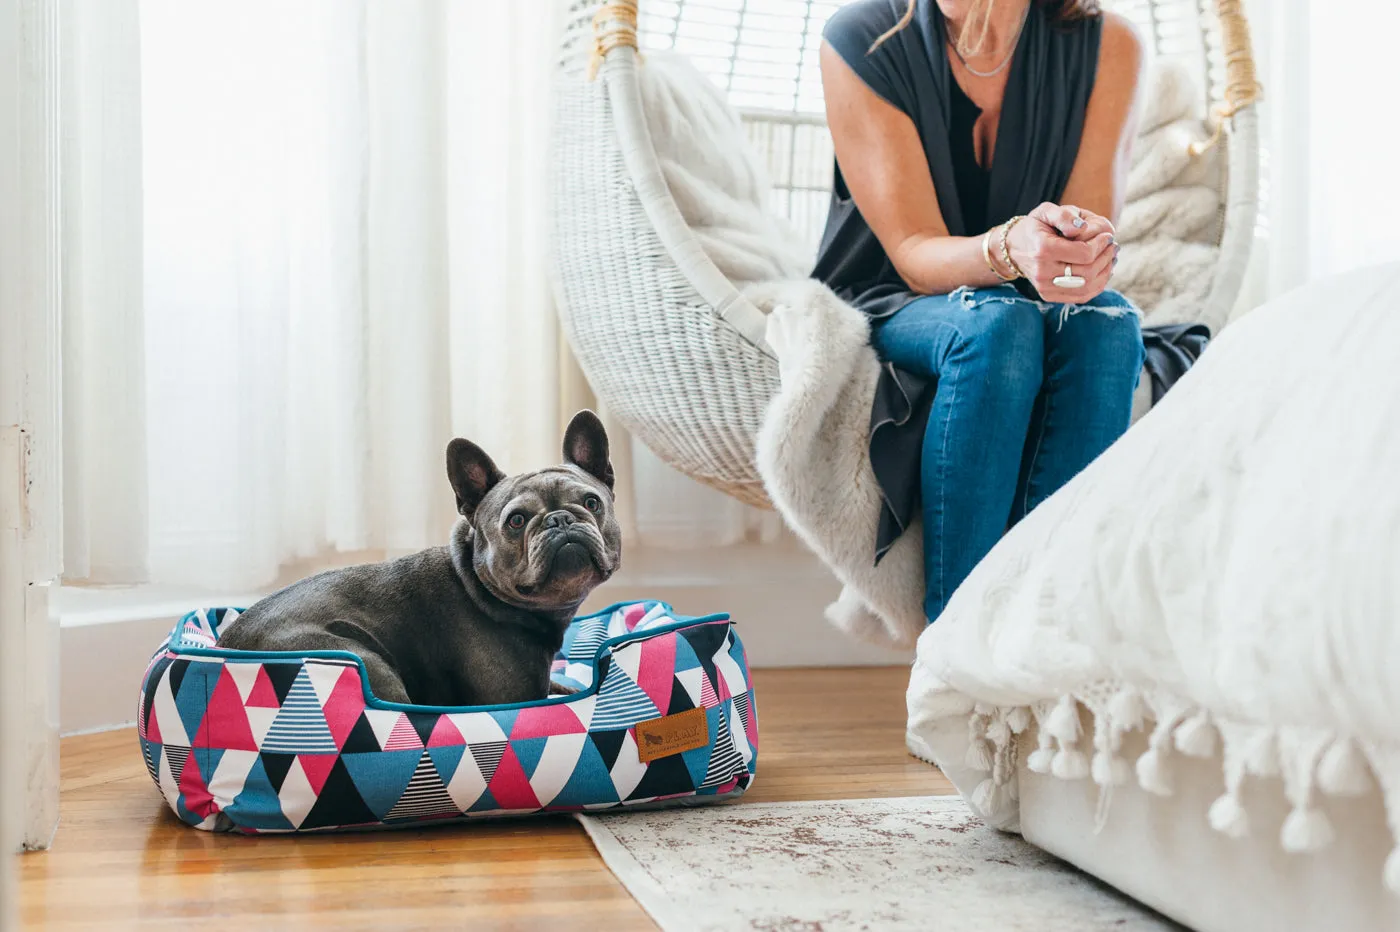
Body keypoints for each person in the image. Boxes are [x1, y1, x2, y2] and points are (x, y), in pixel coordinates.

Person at [813, 0, 1147, 623]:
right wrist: (1010, 246)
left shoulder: (1110, 47)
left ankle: (1046, 639)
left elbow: (1081, 246)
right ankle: (955, 657)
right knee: (997, 327)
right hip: (895, 295)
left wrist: (1080, 258)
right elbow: (912, 253)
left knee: (1109, 325)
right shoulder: (858, 37)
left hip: (1024, 297)